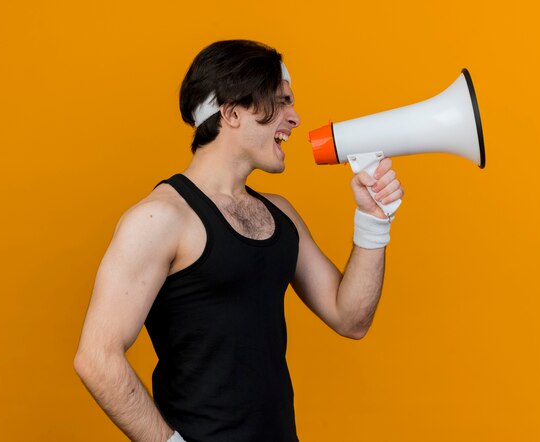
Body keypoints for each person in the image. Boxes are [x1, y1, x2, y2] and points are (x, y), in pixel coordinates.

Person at [74, 40, 404, 442]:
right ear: (231, 112)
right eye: (281, 102)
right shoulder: (159, 218)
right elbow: (96, 357)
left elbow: (351, 318)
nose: (295, 118)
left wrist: (373, 221)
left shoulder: (281, 215)